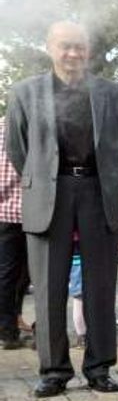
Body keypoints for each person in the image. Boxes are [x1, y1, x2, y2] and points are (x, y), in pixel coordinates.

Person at [5, 21, 118, 397]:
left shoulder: (113, 93)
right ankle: (54, 371)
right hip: (48, 194)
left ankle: (99, 368)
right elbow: (17, 148)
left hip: (97, 190)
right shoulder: (25, 92)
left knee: (101, 287)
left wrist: (100, 179)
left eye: (79, 47)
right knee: (47, 288)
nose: (73, 54)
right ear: (50, 48)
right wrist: (44, 179)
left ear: (88, 50)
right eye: (65, 47)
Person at [0, 118, 33, 350]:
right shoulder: (36, 126)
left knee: (6, 274)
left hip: (4, 214)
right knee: (39, 274)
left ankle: (7, 331)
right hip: (36, 212)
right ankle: (45, 333)